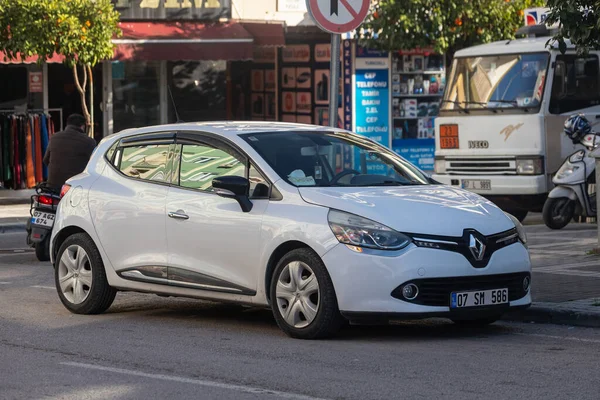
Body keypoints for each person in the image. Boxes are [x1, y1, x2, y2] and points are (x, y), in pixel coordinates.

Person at [43, 114, 96, 190]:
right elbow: (94, 165)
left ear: (67, 124)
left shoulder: (54, 137)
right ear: (82, 126)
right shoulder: (90, 142)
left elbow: (45, 160)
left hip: (52, 186)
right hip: (75, 188)